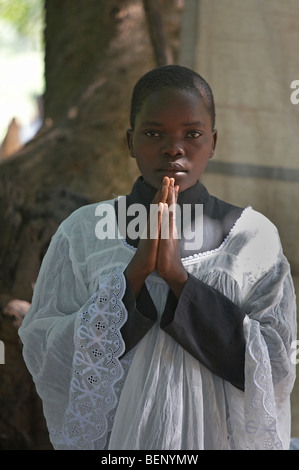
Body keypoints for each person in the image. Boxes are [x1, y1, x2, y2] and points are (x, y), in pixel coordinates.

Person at [18, 65, 297, 450]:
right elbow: (45, 351)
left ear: (213, 142)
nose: (173, 148)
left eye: (192, 134)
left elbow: (277, 366)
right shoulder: (83, 231)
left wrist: (178, 278)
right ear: (129, 142)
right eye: (153, 133)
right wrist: (134, 275)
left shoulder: (253, 237)